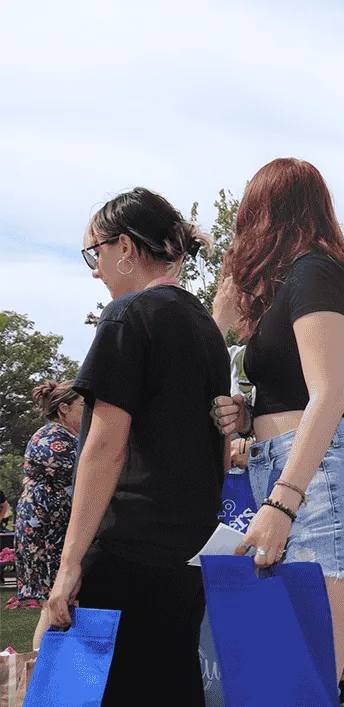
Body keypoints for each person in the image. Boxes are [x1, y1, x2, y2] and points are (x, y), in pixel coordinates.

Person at [210, 158, 344, 691]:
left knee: (303, 687)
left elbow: (329, 396)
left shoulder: (317, 270)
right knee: (281, 685)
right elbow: (299, 391)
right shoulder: (294, 283)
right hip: (293, 476)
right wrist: (251, 415)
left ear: (269, 212)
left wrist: (282, 502)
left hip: (317, 487)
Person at [42, 188, 228, 704]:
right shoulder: (204, 329)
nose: (95, 269)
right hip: (186, 549)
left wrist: (70, 562)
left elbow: (104, 447)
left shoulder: (127, 316)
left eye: (94, 252)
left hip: (127, 544)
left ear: (124, 246)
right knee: (171, 682)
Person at [15, 381, 82, 647]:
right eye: (82, 405)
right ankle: (37, 672)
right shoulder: (52, 438)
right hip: (45, 535)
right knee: (53, 604)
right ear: (64, 408)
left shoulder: (70, 438)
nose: (89, 410)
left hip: (55, 531)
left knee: (61, 604)